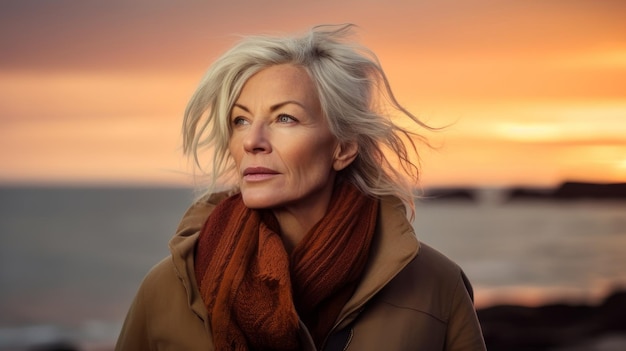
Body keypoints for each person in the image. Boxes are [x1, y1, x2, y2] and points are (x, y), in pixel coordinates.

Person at [115, 24, 486, 351]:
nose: (252, 141)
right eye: (241, 120)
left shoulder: (437, 285)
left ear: (342, 148)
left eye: (285, 117)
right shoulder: (165, 289)